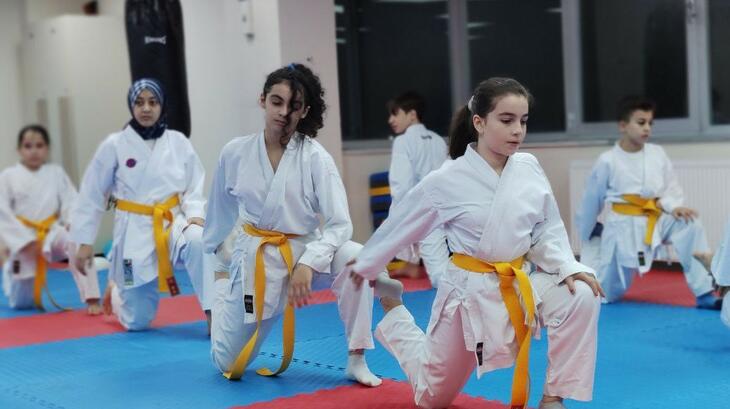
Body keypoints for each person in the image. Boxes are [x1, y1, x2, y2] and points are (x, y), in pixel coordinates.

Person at [350, 78, 603, 409]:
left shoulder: (528, 168)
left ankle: (553, 398)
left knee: (582, 292)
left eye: (523, 121)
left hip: (519, 281)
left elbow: (546, 228)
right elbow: (401, 223)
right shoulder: (447, 178)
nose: (518, 131)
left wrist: (568, 266)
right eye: (507, 120)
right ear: (479, 122)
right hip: (468, 295)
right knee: (430, 398)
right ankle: (393, 305)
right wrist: (368, 265)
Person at [203, 63, 402, 387]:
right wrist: (218, 266)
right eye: (276, 102)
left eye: (294, 106)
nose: (283, 112)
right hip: (258, 257)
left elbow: (340, 224)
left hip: (305, 248)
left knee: (357, 257)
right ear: (262, 100)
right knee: (225, 363)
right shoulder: (234, 153)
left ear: (305, 110)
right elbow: (218, 215)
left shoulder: (314, 157)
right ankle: (226, 295)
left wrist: (308, 263)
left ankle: (357, 357)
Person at [71, 78, 214, 330]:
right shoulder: (115, 145)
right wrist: (84, 242)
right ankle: (116, 289)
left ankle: (215, 314)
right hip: (133, 232)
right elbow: (92, 193)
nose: (146, 108)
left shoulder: (178, 142)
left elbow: (194, 183)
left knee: (198, 239)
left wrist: (195, 214)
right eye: (139, 102)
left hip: (172, 221)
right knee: (137, 321)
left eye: (152, 102)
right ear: (131, 106)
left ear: (162, 105)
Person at [576, 96, 722, 309]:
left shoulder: (657, 154)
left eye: (650, 123)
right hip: (622, 226)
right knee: (605, 293)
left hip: (656, 218)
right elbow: (591, 198)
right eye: (641, 122)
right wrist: (588, 230)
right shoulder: (608, 160)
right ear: (623, 126)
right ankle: (593, 271)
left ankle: (704, 292)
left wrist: (675, 207)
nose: (647, 128)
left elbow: (671, 188)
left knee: (690, 225)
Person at [0, 125, 101, 314]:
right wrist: (23, 242)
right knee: (22, 303)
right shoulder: (8, 177)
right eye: (28, 146)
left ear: (47, 148)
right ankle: (11, 270)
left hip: (52, 234)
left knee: (79, 240)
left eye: (39, 145)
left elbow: (71, 200)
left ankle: (92, 297)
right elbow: (2, 212)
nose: (34, 151)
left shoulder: (56, 173)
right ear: (19, 150)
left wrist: (72, 222)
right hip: (24, 239)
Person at [386, 91, 449, 286]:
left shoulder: (403, 141)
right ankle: (411, 265)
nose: (391, 120)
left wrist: (398, 214)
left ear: (412, 115)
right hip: (442, 206)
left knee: (441, 276)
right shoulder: (439, 140)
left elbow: (401, 183)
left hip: (418, 207)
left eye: (395, 114)